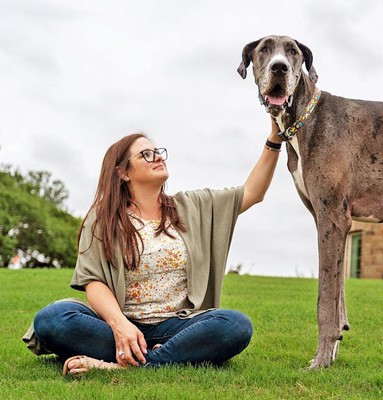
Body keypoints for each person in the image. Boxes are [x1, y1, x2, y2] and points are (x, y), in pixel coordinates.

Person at [22, 118, 283, 376]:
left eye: (158, 152)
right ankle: (161, 356)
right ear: (123, 173)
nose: (158, 157)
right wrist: (120, 325)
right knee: (52, 318)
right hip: (119, 327)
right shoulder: (103, 218)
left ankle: (123, 365)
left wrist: (274, 140)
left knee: (235, 325)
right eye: (146, 154)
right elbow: (94, 282)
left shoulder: (191, 206)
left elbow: (252, 192)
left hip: (177, 327)